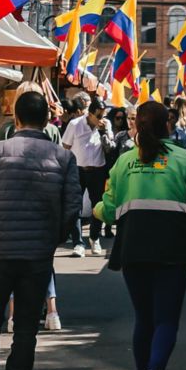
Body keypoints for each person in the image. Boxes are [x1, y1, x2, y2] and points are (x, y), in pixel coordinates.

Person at [94, 100, 186, 370]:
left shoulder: (124, 163)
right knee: (166, 319)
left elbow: (108, 207)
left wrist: (93, 211)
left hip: (133, 247)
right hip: (173, 250)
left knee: (143, 318)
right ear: (168, 126)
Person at [0, 91, 80, 370]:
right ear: (47, 120)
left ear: (15, 118)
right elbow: (72, 205)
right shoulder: (63, 157)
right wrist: (54, 236)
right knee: (27, 324)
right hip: (36, 254)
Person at [62, 95, 113, 257]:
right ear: (89, 114)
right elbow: (65, 147)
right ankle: (78, 242)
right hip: (78, 169)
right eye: (98, 116)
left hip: (97, 170)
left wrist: (104, 131)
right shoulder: (75, 124)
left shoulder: (106, 125)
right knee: (74, 205)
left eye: (103, 115)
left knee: (97, 206)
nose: (101, 119)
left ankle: (94, 237)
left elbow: (110, 148)